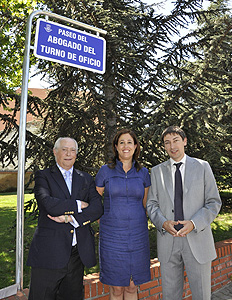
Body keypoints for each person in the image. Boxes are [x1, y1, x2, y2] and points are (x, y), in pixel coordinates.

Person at [146, 125, 222, 300]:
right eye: (167, 143)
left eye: (176, 141)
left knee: (202, 295)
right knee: (170, 296)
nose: (172, 146)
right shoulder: (157, 171)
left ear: (184, 141)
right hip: (168, 241)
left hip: (197, 239)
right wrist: (163, 222)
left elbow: (213, 202)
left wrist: (194, 223)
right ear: (164, 146)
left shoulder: (203, 167)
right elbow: (152, 204)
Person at [27, 137, 103, 300]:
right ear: (55, 152)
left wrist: (71, 219)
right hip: (49, 253)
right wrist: (78, 204)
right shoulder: (43, 176)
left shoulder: (86, 178)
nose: (69, 153)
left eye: (73, 150)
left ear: (76, 153)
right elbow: (48, 204)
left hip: (76, 255)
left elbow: (97, 208)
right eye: (64, 149)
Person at [95, 128, 151, 300]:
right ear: (116, 147)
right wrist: (106, 222)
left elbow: (145, 204)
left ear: (135, 146)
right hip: (112, 237)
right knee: (117, 288)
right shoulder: (105, 171)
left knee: (133, 286)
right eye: (121, 142)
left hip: (138, 235)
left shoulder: (143, 173)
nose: (125, 146)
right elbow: (95, 203)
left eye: (129, 142)